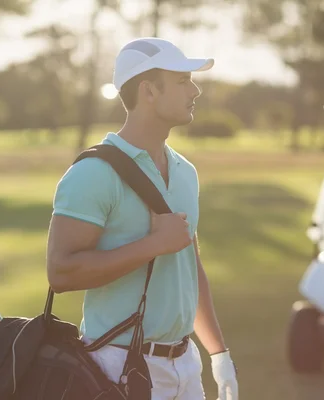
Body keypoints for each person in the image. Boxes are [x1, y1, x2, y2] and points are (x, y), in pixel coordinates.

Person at [45, 37, 238, 400]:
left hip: (185, 364)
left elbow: (188, 263)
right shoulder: (93, 173)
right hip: (116, 366)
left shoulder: (185, 171)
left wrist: (218, 353)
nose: (194, 90)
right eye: (182, 80)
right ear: (148, 90)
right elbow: (61, 272)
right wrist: (153, 245)